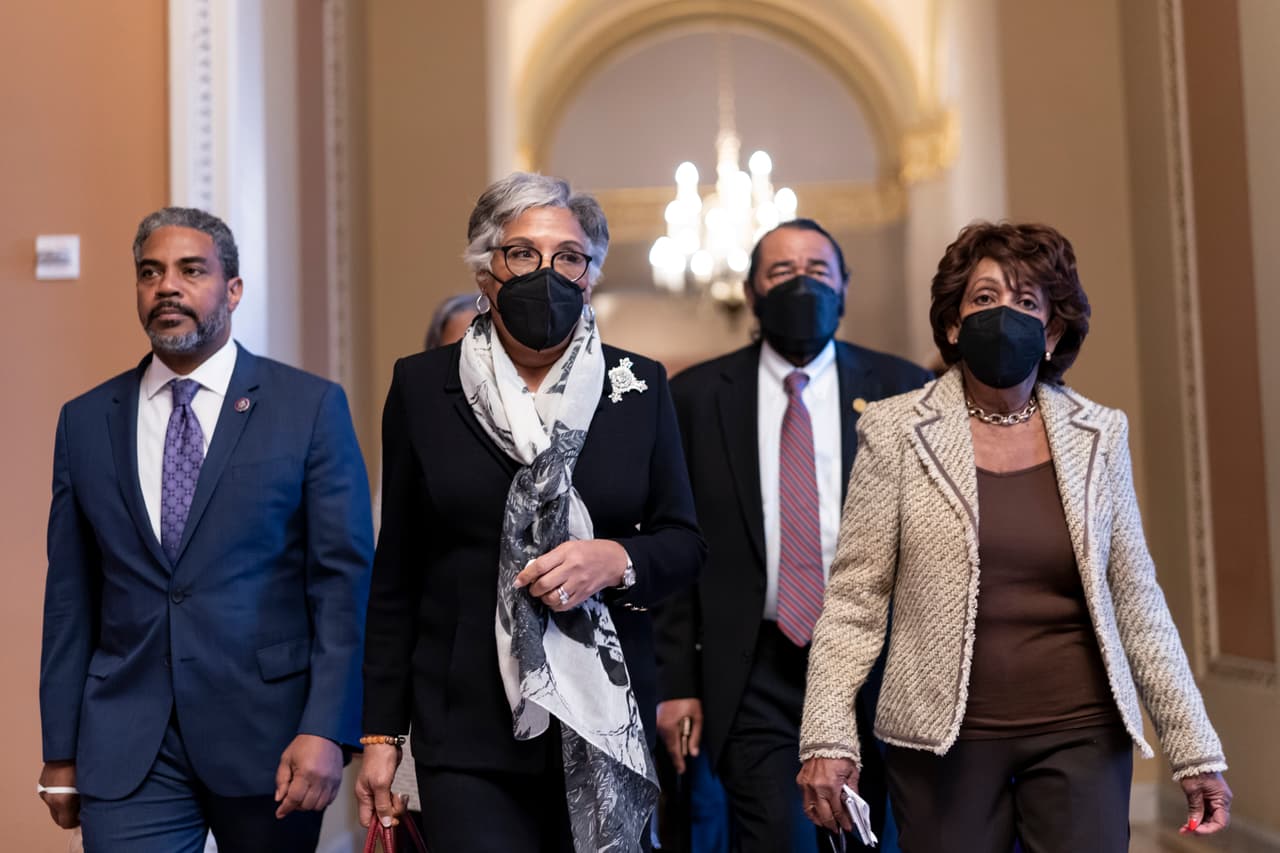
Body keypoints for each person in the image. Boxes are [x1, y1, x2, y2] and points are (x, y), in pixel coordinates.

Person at [798, 222, 1233, 852]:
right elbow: (854, 604)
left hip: (1080, 732)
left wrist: (1194, 748)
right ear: (952, 323)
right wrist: (829, 736)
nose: (1004, 315)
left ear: (1052, 331)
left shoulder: (1100, 436)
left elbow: (1138, 600)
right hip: (942, 742)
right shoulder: (895, 430)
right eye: (983, 299)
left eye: (1027, 302)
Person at [357, 172, 706, 853]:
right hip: (465, 721)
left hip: (604, 717)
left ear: (590, 276)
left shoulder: (639, 387)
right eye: (523, 252)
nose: (546, 271)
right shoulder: (423, 386)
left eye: (568, 256)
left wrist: (617, 558)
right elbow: (396, 570)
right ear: (487, 270)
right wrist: (380, 736)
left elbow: (686, 543)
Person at [38, 207, 375, 852]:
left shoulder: (307, 408)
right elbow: (70, 597)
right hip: (128, 741)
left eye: (191, 270)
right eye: (150, 272)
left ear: (233, 289)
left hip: (273, 737)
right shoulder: (84, 421)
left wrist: (329, 728)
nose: (168, 286)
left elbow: (342, 582)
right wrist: (60, 749)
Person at [653, 219, 932, 853]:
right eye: (781, 273)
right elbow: (675, 544)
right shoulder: (695, 397)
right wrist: (676, 683)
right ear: (751, 291)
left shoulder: (905, 390)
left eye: (816, 271)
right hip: (755, 667)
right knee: (778, 836)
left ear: (844, 287)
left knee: (876, 837)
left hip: (877, 664)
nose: (800, 285)